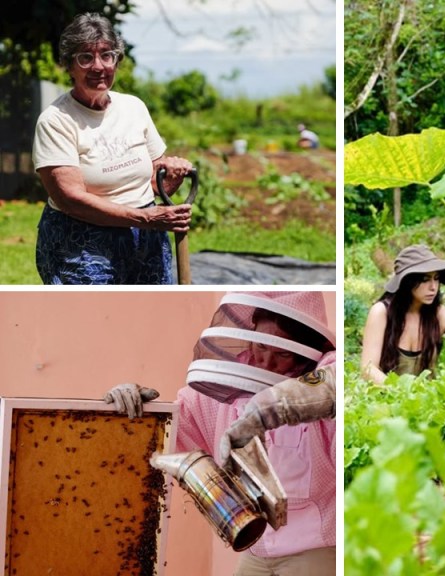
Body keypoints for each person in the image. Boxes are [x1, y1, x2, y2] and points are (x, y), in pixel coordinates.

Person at [105, 292, 336, 575]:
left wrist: (266, 409)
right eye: (261, 346)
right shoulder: (220, 387)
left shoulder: (326, 380)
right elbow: (170, 431)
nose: (266, 361)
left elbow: (331, 381)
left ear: (306, 352)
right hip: (255, 550)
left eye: (282, 354)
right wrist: (132, 405)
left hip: (314, 551)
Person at [33, 13, 194, 284]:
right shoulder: (56, 120)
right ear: (68, 65)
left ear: (116, 60)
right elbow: (69, 199)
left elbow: (152, 179)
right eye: (85, 57)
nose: (98, 66)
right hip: (82, 243)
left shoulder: (133, 107)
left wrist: (172, 174)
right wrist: (144, 217)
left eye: (107, 55)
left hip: (145, 239)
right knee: (94, 320)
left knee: (150, 316)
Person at [360, 244, 445, 384]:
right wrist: (400, 391)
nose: (433, 287)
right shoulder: (381, 312)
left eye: (436, 278)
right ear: (407, 281)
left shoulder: (440, 315)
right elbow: (368, 369)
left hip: (426, 402)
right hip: (384, 399)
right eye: (425, 279)